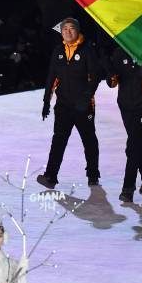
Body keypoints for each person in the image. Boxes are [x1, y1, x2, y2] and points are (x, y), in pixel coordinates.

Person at [38, 18, 101, 188]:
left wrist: (86, 98)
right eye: (64, 29)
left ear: (78, 31)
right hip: (63, 106)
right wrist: (46, 102)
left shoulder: (87, 51)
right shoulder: (58, 51)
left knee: (89, 140)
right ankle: (50, 176)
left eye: (71, 28)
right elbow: (52, 77)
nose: (67, 31)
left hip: (83, 105)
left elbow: (94, 77)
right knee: (58, 140)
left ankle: (93, 175)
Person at [104, 47, 142, 202]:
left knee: (132, 145)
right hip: (125, 105)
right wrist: (109, 74)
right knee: (136, 143)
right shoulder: (118, 52)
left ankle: (128, 188)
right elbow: (112, 82)